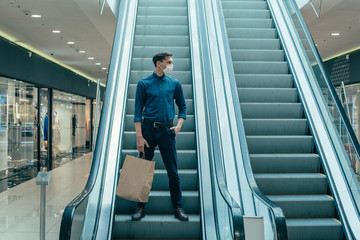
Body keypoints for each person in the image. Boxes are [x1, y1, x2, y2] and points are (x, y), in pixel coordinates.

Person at [132, 51, 188, 221]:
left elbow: (183, 107)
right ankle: (140, 208)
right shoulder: (144, 84)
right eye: (168, 62)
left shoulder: (175, 84)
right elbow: (137, 113)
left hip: (166, 131)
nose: (171, 64)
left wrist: (178, 126)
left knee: (173, 172)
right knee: (143, 170)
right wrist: (139, 137)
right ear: (159, 63)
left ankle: (178, 207)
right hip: (148, 130)